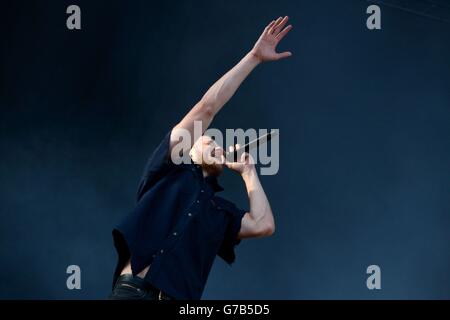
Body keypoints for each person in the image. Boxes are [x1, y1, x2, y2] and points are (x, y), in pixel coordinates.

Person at [109, 16, 293, 300]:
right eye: (208, 140)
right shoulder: (168, 170)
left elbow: (263, 224)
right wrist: (253, 58)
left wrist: (248, 171)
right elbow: (207, 108)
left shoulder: (218, 211)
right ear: (189, 150)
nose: (217, 145)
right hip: (134, 292)